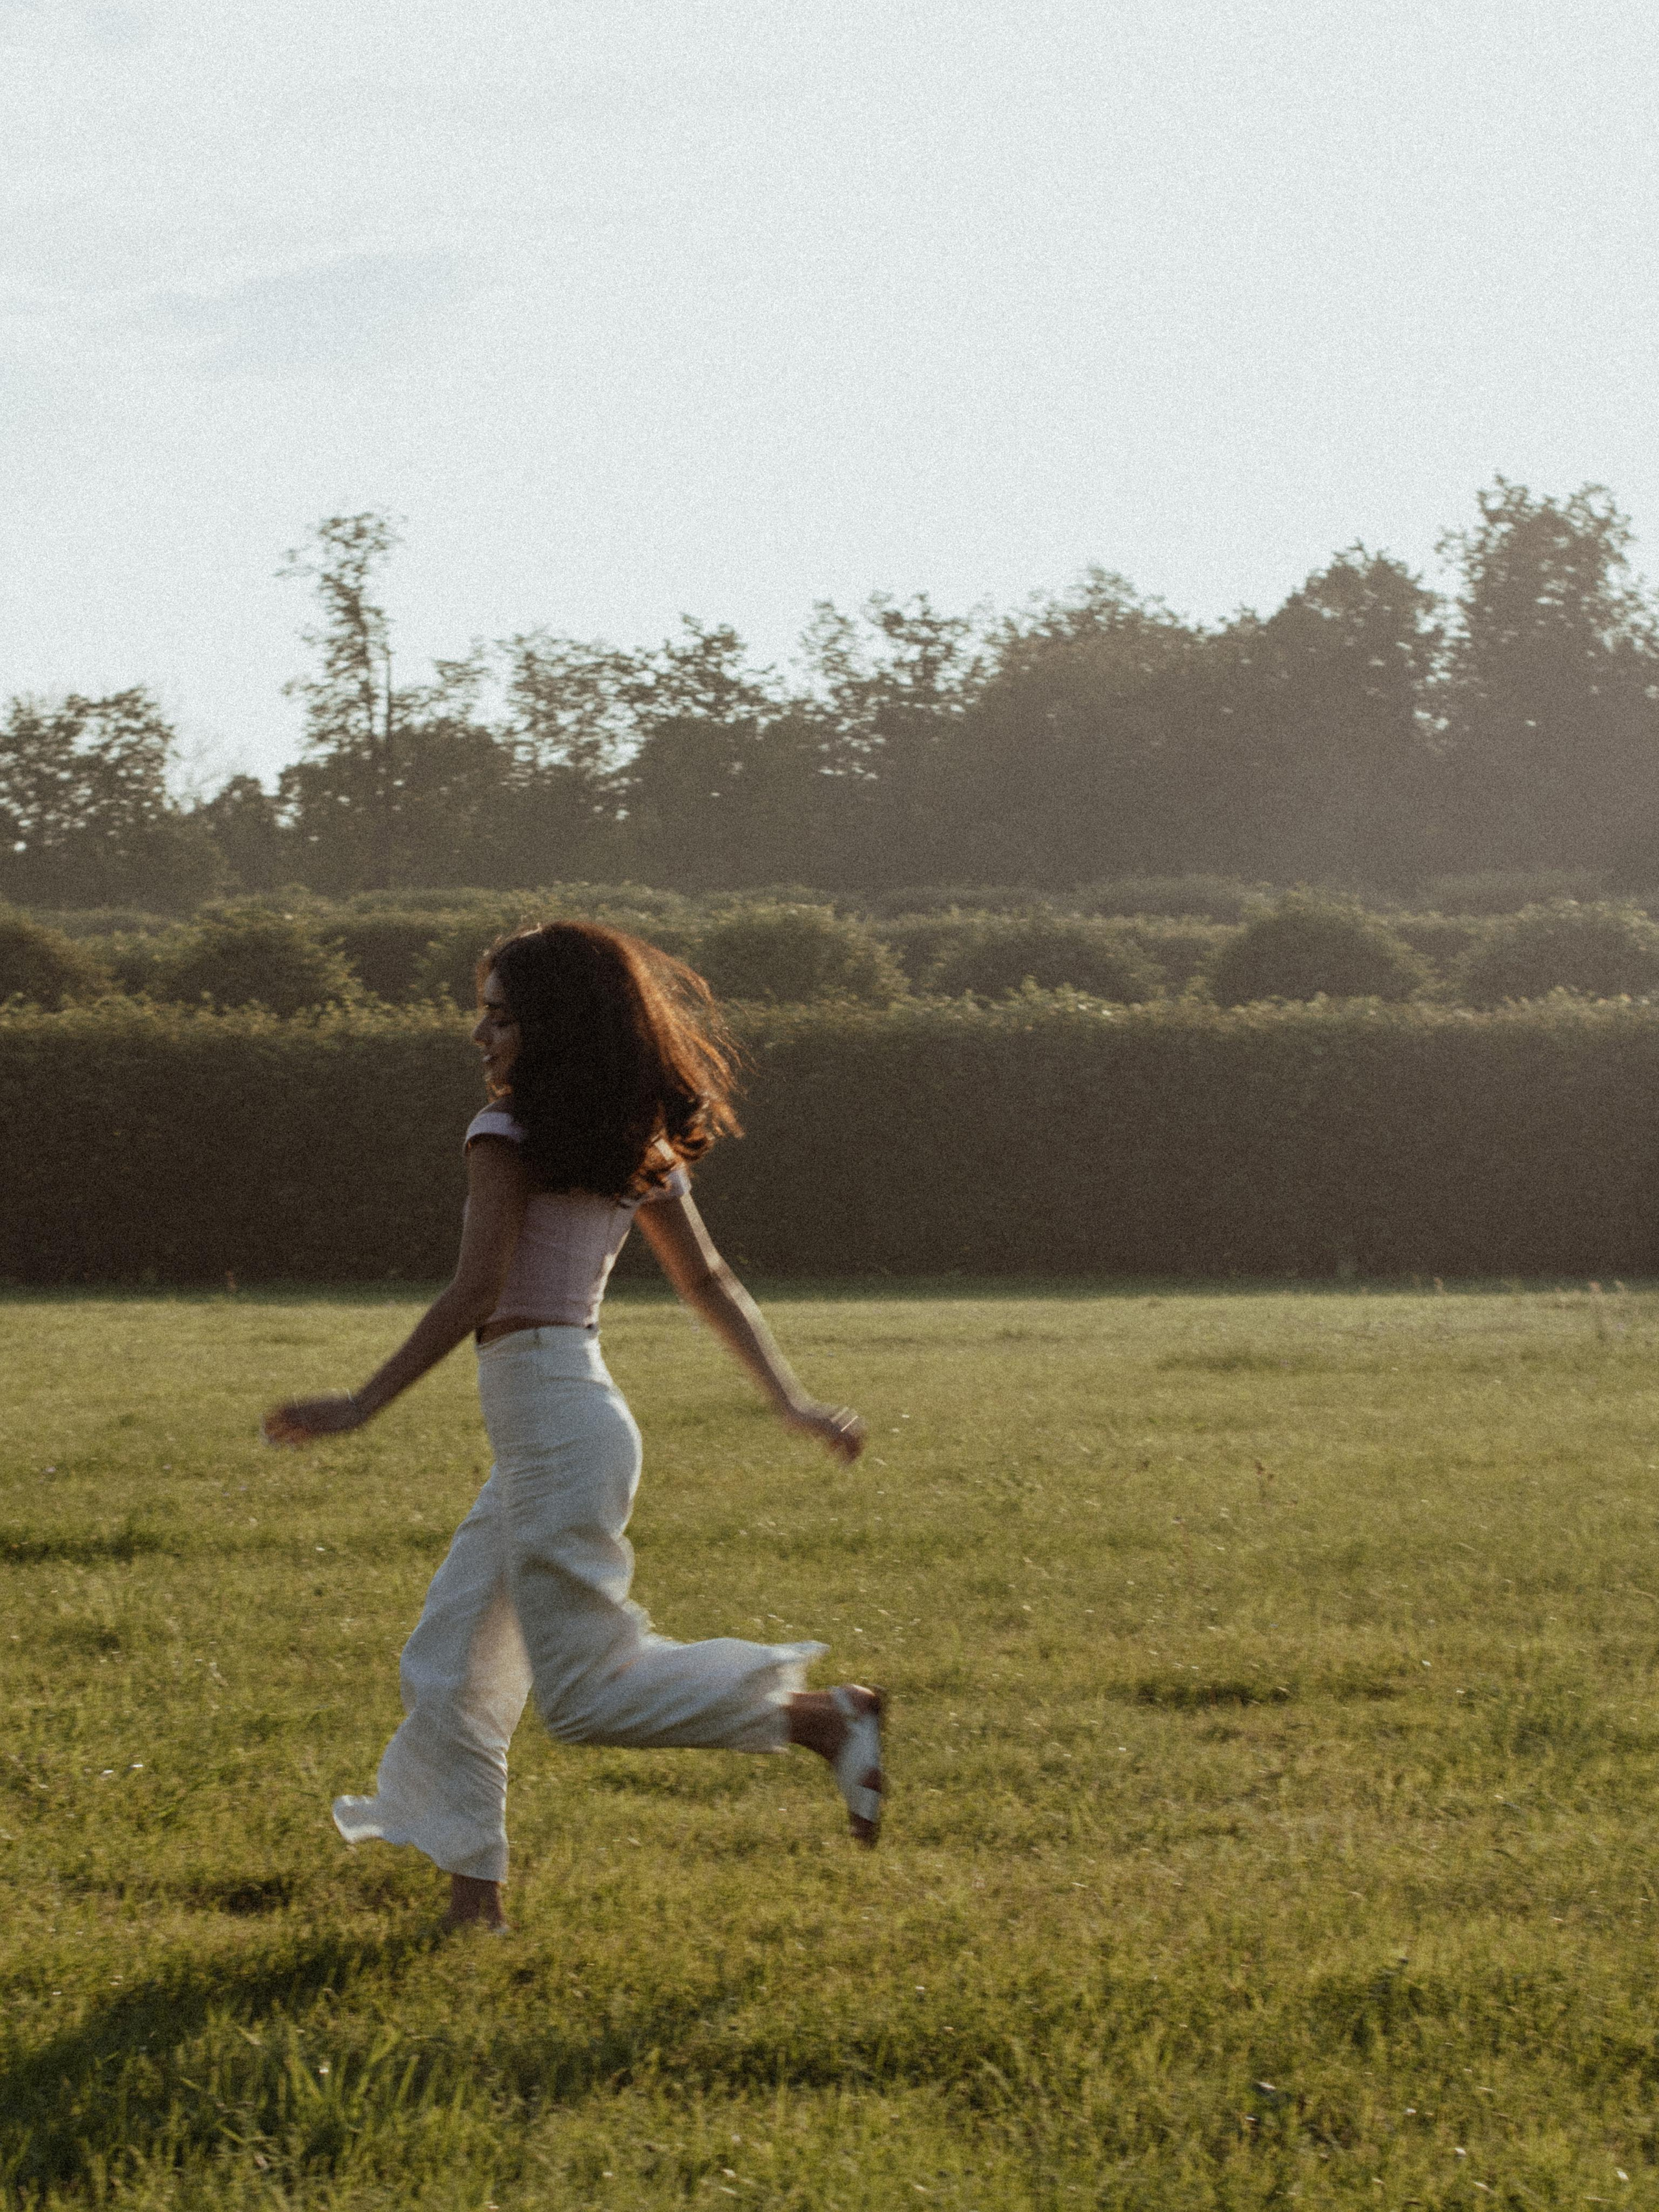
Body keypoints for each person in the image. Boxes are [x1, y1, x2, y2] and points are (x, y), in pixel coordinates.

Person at [262, 920, 884, 1930]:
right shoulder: (624, 1142)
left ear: (552, 1028)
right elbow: (712, 1281)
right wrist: (791, 1401)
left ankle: (821, 1716)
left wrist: (361, 1402)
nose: (481, 1034)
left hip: (554, 1418)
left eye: (501, 1017)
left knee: (588, 1697)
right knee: (451, 1660)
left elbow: (477, 1292)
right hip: (564, 1418)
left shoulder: (503, 1135)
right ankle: (476, 1908)